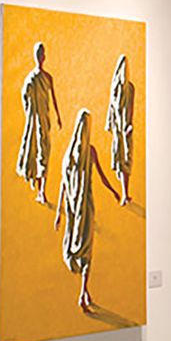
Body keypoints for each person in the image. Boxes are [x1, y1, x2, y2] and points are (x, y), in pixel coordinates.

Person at [54, 110, 120, 311]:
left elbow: (63, 185)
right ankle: (83, 292)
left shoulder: (69, 154)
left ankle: (85, 292)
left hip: (73, 207)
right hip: (84, 207)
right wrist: (114, 192)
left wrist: (59, 211)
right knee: (87, 247)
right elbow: (101, 176)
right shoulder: (89, 151)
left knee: (77, 244)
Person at [16, 41, 62, 204]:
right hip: (34, 120)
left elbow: (54, 97)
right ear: (36, 57)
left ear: (44, 56)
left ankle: (42, 190)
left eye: (42, 54)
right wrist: (30, 112)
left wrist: (58, 116)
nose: (41, 57)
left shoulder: (47, 77)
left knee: (44, 151)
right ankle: (39, 187)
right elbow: (24, 97)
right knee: (34, 150)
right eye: (39, 54)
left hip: (44, 119)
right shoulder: (31, 79)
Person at [105, 54, 135, 206]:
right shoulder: (114, 90)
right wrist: (110, 124)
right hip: (118, 130)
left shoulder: (130, 88)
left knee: (126, 160)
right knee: (119, 159)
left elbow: (131, 109)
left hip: (126, 130)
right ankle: (124, 192)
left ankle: (125, 193)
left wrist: (129, 125)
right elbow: (111, 108)